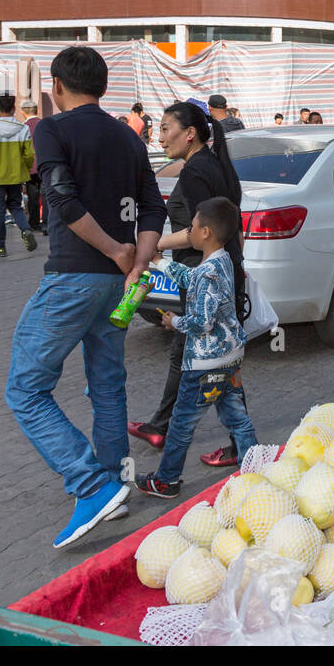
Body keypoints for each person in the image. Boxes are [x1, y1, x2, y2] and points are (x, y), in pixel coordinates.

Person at [4, 46, 165, 549]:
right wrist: (136, 261)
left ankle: (91, 484)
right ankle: (114, 483)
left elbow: (61, 198)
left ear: (56, 86)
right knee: (107, 385)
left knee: (25, 390)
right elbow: (153, 207)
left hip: (74, 277)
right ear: (102, 84)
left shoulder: (51, 128)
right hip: (117, 286)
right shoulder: (127, 134)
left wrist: (119, 250)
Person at [130, 101, 247, 466]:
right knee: (200, 358)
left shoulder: (196, 172)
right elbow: (230, 229)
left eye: (166, 129)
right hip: (220, 271)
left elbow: (199, 233)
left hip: (202, 275)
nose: (160, 137)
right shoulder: (213, 164)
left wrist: (153, 246)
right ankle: (163, 426)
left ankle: (237, 446)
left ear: (190, 133)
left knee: (208, 361)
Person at [134, 198, 257, 497]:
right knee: (235, 415)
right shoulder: (223, 260)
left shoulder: (208, 272)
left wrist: (175, 322)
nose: (189, 230)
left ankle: (167, 480)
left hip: (204, 364)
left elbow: (202, 322)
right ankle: (255, 467)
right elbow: (190, 278)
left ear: (206, 233)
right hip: (229, 358)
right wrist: (161, 262)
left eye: (193, 226)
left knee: (181, 424)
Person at [0, 93, 38, 258]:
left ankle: (0, 247)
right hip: (16, 175)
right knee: (16, 207)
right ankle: (25, 230)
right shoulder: (23, 129)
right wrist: (23, 169)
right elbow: (28, 155)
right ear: (14, 108)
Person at [20, 99, 46, 234]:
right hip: (45, 166)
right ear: (38, 111)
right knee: (46, 196)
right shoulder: (45, 124)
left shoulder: (23, 127)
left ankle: (34, 223)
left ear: (23, 112)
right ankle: (46, 223)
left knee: (33, 197)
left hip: (30, 168)